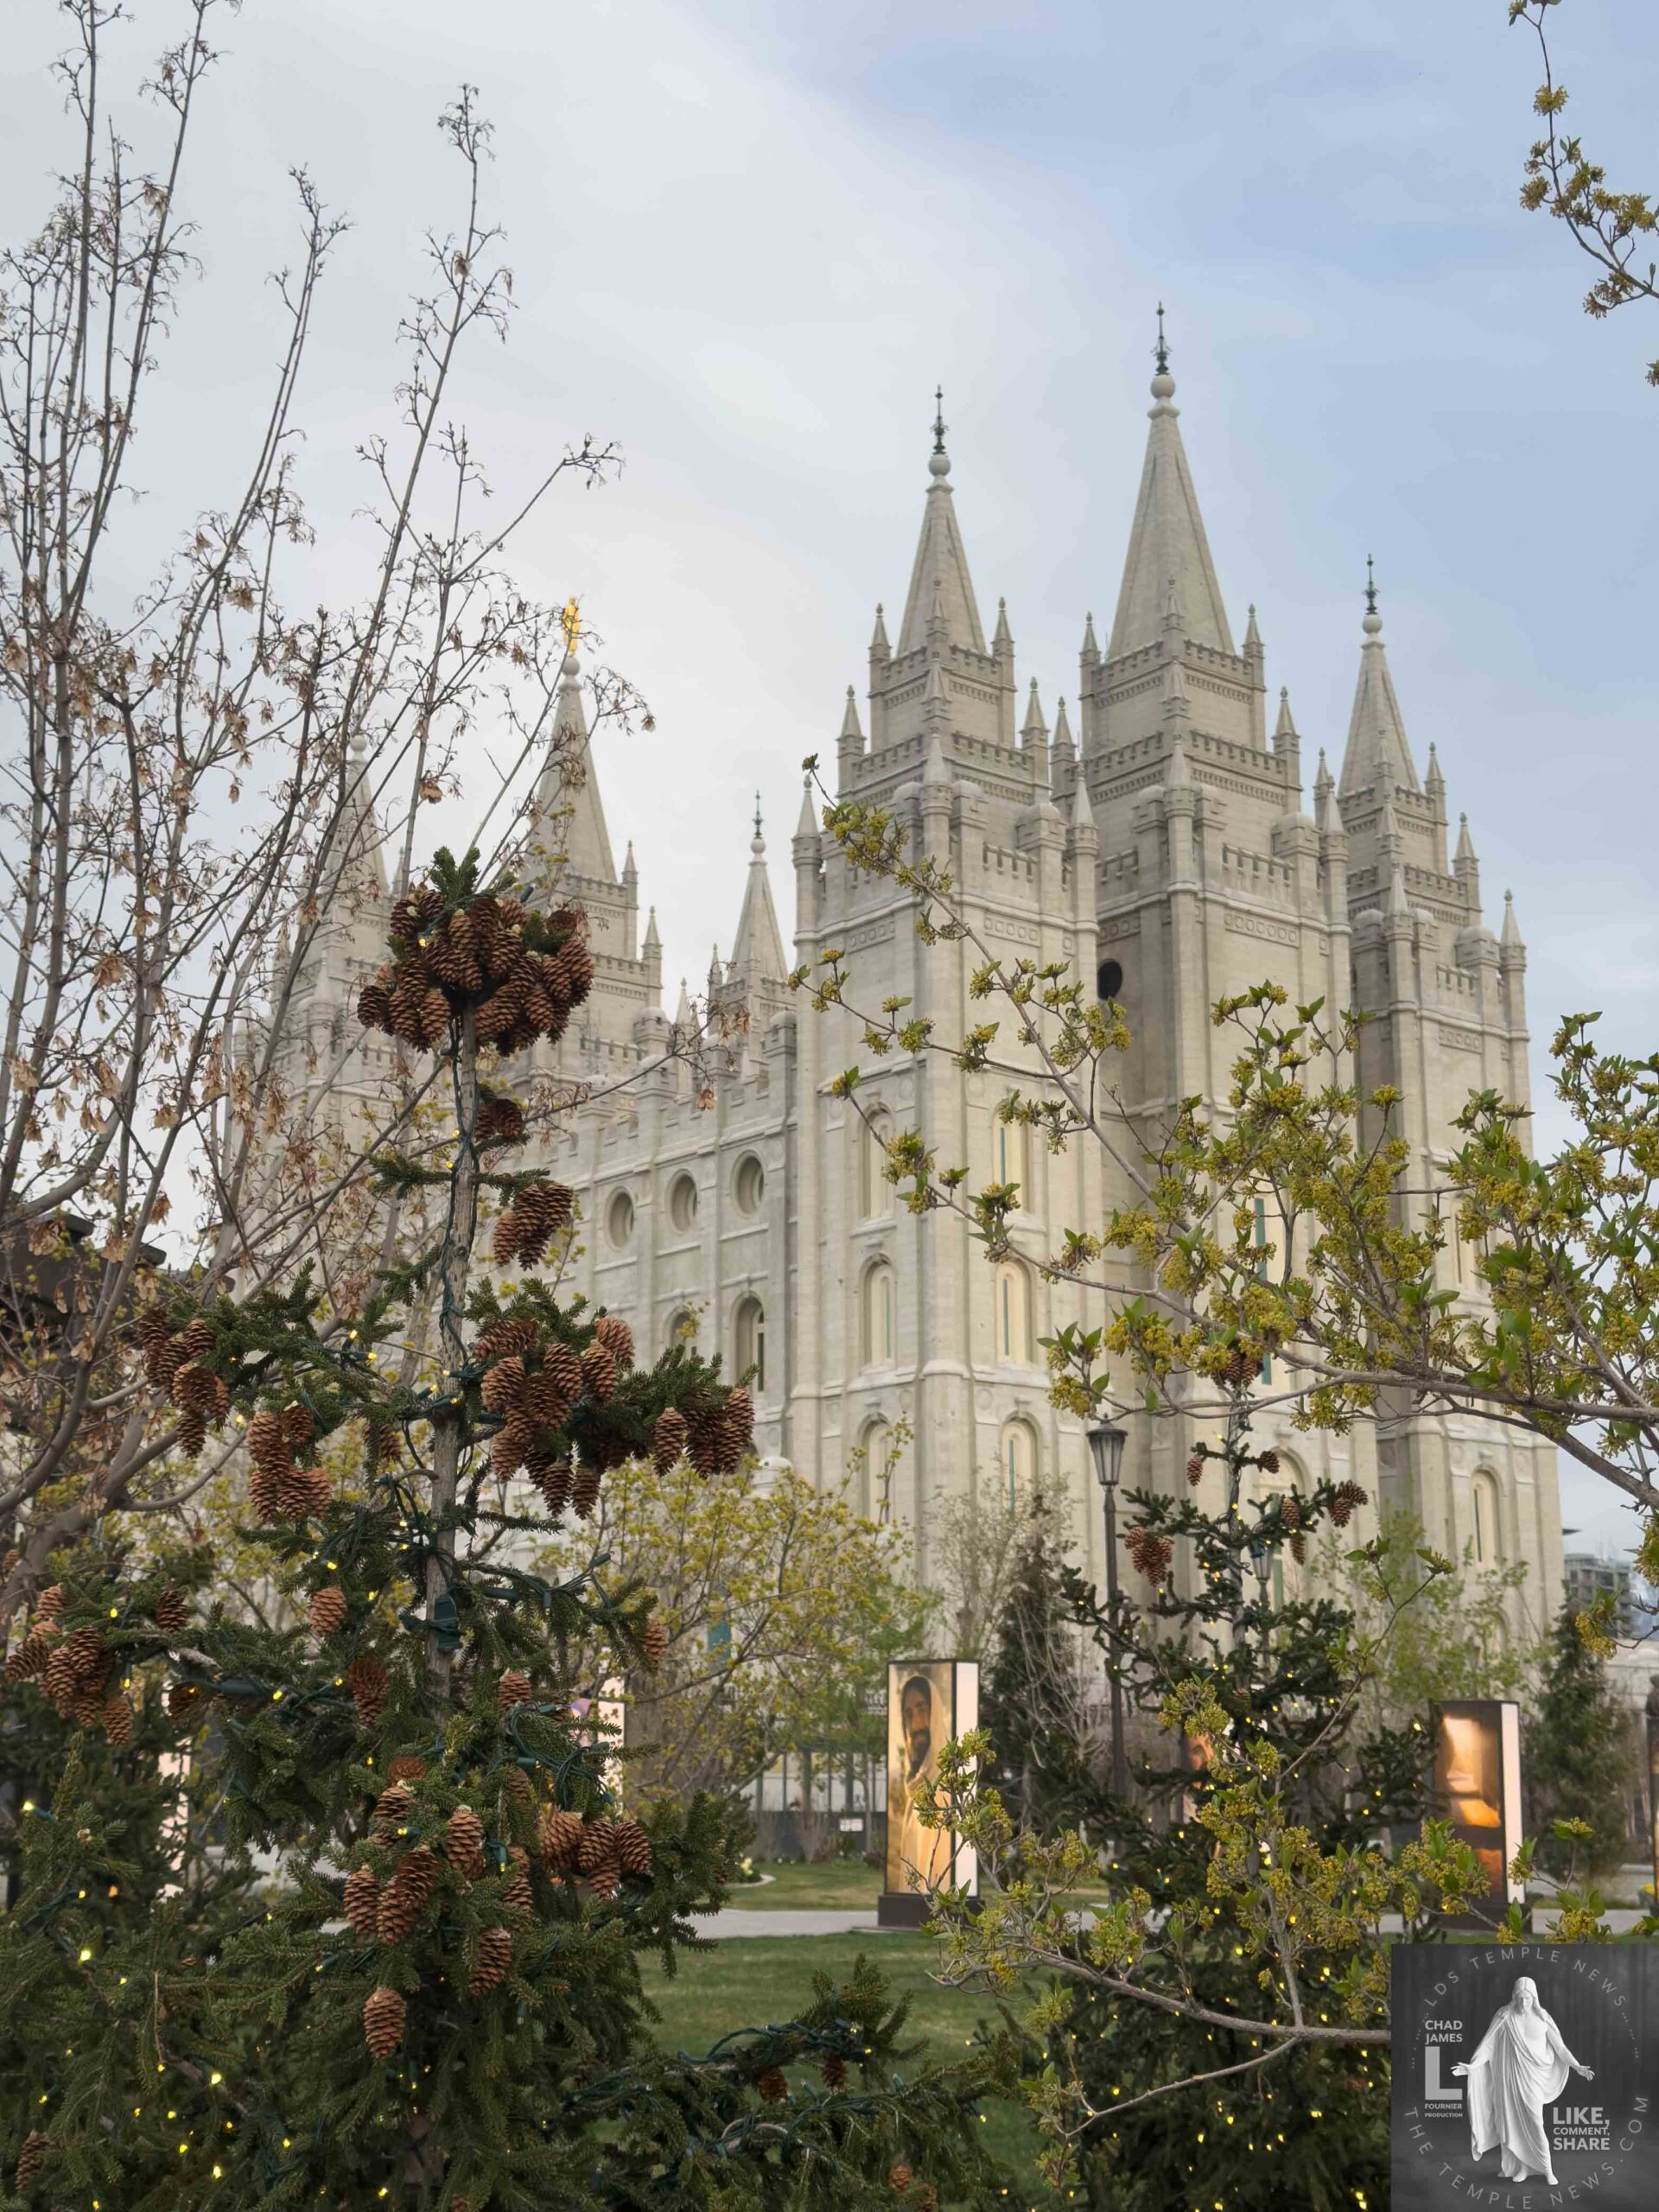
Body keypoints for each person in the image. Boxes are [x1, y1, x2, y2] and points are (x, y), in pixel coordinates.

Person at [1452, 1976, 1594, 2186]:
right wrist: (1472, 2067)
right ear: (1514, 1996)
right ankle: (1521, 2168)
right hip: (1509, 2079)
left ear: (1534, 1998)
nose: (1523, 2002)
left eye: (1528, 1998)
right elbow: (1488, 2047)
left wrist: (1577, 2066)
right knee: (1512, 2123)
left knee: (1536, 2123)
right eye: (1520, 1998)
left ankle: (1547, 2169)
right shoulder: (1504, 2016)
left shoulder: (1543, 2018)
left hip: (1533, 2079)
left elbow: (1560, 2048)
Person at [887, 1672, 950, 1891]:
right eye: (908, 1714)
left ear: (936, 1712)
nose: (915, 1724)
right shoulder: (915, 1787)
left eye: (922, 1709)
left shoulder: (948, 1784)